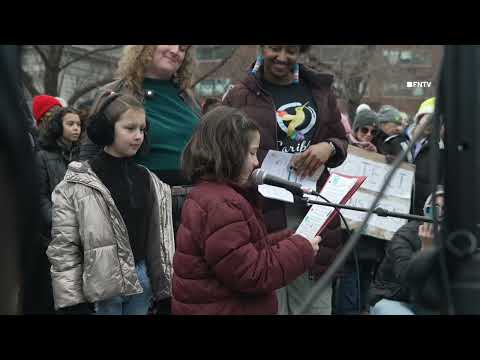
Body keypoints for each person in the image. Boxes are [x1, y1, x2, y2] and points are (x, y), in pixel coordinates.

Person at [223, 45, 348, 315]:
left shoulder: (320, 91)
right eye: (274, 48)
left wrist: (329, 147)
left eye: (290, 49)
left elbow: (342, 143)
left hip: (312, 210)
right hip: (262, 211)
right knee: (271, 302)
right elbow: (221, 150)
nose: (281, 56)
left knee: (313, 304)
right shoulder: (238, 95)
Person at [172, 105, 321, 315]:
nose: (256, 162)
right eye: (251, 153)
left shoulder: (214, 196)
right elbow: (251, 273)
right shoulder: (221, 205)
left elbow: (240, 251)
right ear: (229, 152)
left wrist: (288, 239)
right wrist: (299, 250)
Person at [46, 91, 175, 315]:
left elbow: (160, 242)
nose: (138, 136)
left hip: (141, 284)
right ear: (105, 130)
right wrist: (71, 301)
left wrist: (166, 292)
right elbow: (64, 246)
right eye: (130, 128)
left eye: (142, 129)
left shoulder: (149, 180)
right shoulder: (79, 182)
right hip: (100, 290)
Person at [335, 109, 386, 314]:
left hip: (371, 240)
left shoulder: (381, 156)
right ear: (355, 129)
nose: (368, 135)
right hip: (347, 239)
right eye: (364, 130)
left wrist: (378, 159)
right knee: (349, 297)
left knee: (364, 296)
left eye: (374, 132)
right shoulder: (343, 151)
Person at [34, 107, 83, 313]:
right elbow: (40, 195)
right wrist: (54, 221)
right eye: (70, 124)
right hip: (53, 233)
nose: (76, 128)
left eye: (79, 124)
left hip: (80, 230)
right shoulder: (43, 156)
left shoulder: (81, 156)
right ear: (58, 126)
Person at [369, 187, 445, 315]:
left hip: (430, 304)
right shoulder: (405, 234)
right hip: (393, 298)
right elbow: (406, 278)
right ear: (425, 210)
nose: (440, 213)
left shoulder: (454, 238)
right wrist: (425, 250)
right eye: (435, 208)